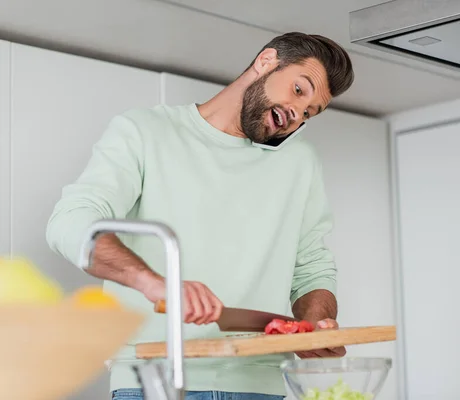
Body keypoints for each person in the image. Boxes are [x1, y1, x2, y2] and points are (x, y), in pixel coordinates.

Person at [46, 31, 354, 400]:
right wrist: (156, 283)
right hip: (153, 380)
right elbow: (70, 222)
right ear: (266, 61)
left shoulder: (299, 162)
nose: (296, 114)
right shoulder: (145, 131)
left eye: (309, 113)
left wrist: (314, 325)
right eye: (299, 91)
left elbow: (312, 268)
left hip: (258, 386)